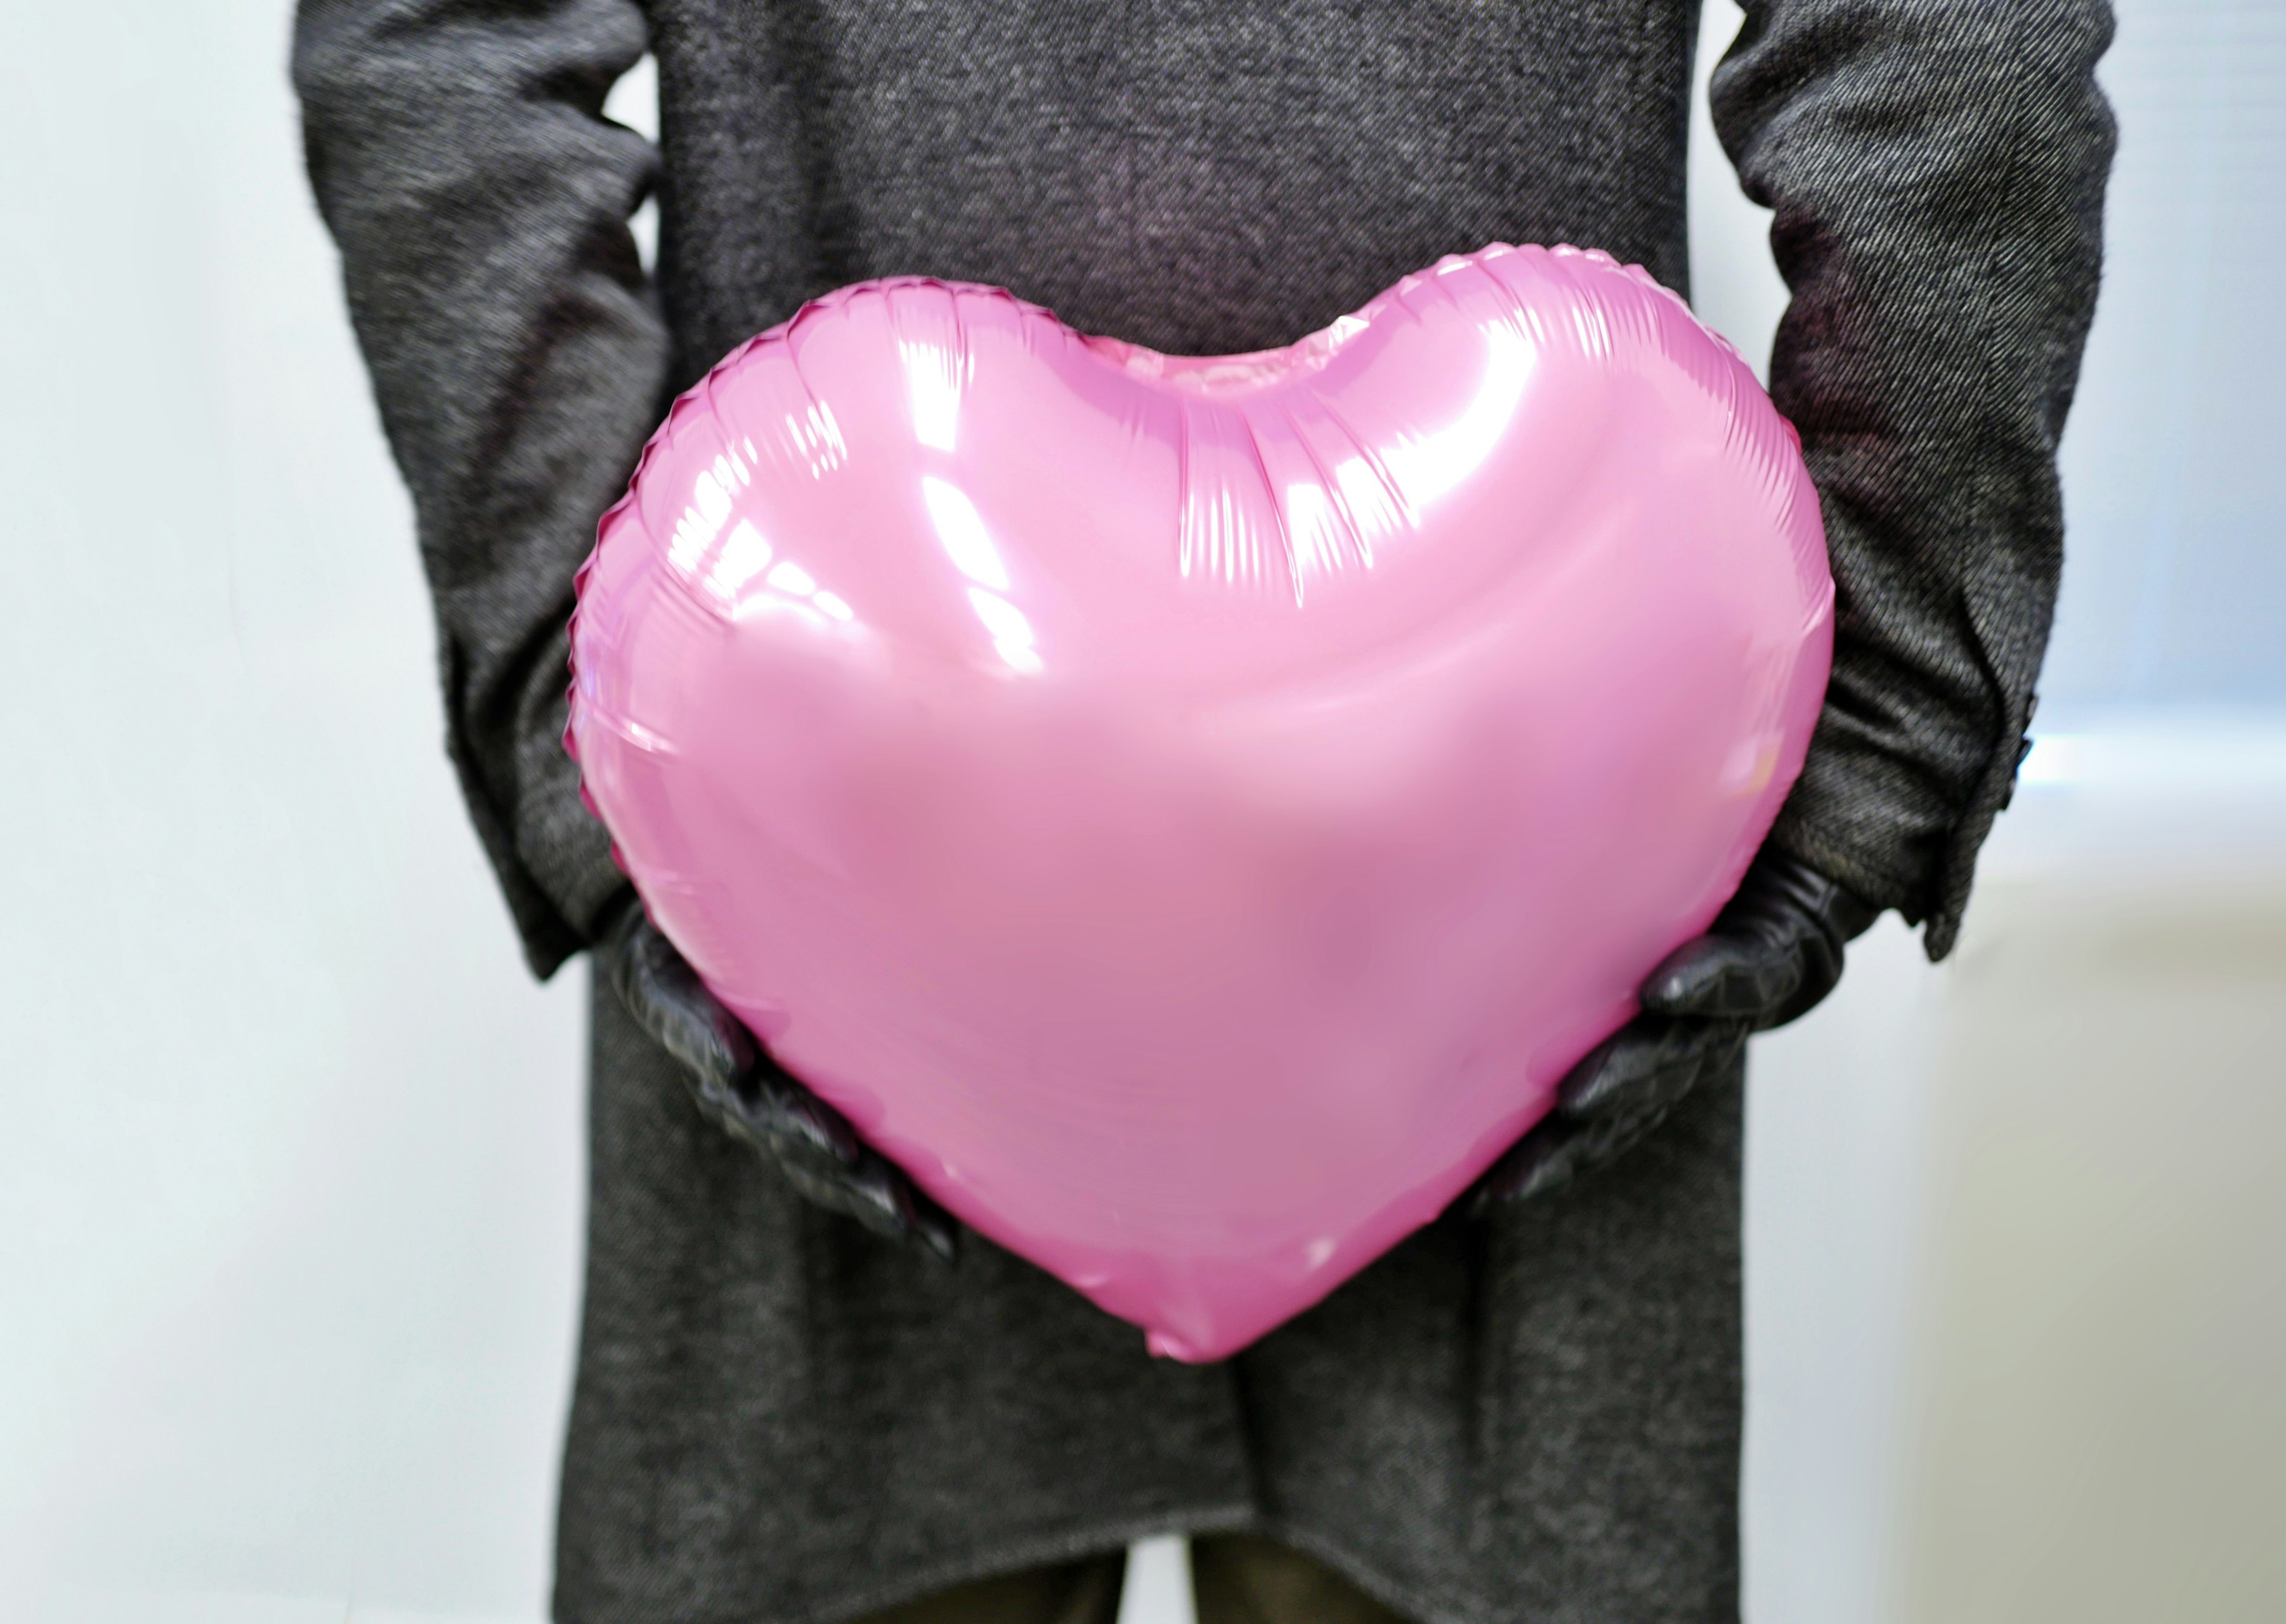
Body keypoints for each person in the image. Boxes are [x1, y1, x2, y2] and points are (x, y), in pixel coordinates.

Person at [294, 3, 2113, 1620]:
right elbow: (1954, 53)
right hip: (1485, 831)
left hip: (882, 795)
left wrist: (615, 742)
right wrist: (1852, 768)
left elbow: (433, 47)